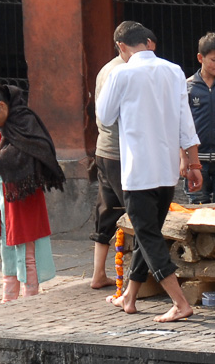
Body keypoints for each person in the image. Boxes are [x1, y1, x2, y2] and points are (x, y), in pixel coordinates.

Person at [96, 22, 203, 323]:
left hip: (138, 170)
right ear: (148, 43)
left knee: (148, 236)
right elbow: (186, 122)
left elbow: (104, 116)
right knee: (149, 233)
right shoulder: (174, 71)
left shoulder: (121, 73)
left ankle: (180, 302)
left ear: (121, 47)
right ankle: (129, 296)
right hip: (167, 169)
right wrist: (192, 164)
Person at [0, 85, 65, 302]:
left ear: (3, 105)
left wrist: (6, 159)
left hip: (24, 193)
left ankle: (30, 297)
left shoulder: (25, 121)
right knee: (7, 244)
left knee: (26, 247)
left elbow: (40, 148)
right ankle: (8, 297)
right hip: (4, 191)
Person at [87, 31, 136, 288]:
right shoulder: (121, 72)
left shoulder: (107, 69)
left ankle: (98, 274)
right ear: (122, 46)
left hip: (104, 149)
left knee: (106, 210)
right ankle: (135, 275)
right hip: (119, 150)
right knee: (134, 209)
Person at [188, 32, 215, 204]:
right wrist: (186, 159)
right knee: (197, 210)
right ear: (200, 58)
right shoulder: (189, 87)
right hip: (197, 160)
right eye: (214, 60)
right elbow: (181, 125)